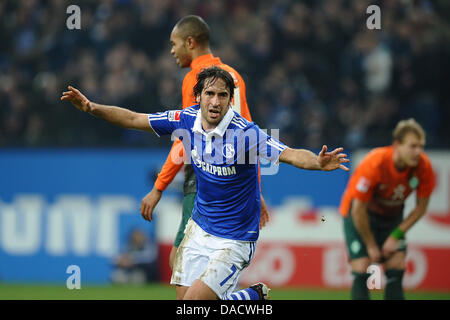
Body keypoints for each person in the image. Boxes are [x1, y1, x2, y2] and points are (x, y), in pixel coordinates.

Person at [61, 66, 350, 300]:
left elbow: (288, 153)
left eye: (222, 95)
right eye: (209, 93)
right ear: (198, 96)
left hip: (235, 238)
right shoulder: (185, 119)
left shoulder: (245, 133)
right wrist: (90, 107)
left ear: (230, 99)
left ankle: (248, 299)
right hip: (198, 229)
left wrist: (317, 161)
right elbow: (136, 119)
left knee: (195, 305)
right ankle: (250, 299)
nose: (215, 101)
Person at [139, 15, 270, 274]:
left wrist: (158, 187)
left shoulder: (198, 79)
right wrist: (255, 190)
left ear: (190, 42)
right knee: (206, 267)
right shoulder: (233, 77)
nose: (172, 50)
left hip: (205, 178)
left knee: (182, 264)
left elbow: (185, 139)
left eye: (174, 43)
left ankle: (248, 298)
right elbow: (250, 140)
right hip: (235, 183)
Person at [339, 118, 436, 300]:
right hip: (359, 215)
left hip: (391, 217)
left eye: (421, 146)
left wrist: (395, 235)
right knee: (362, 266)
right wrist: (371, 245)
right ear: (397, 145)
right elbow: (358, 210)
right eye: (413, 146)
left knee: (396, 264)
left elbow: (421, 208)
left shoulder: (424, 167)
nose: (418, 152)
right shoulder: (375, 163)